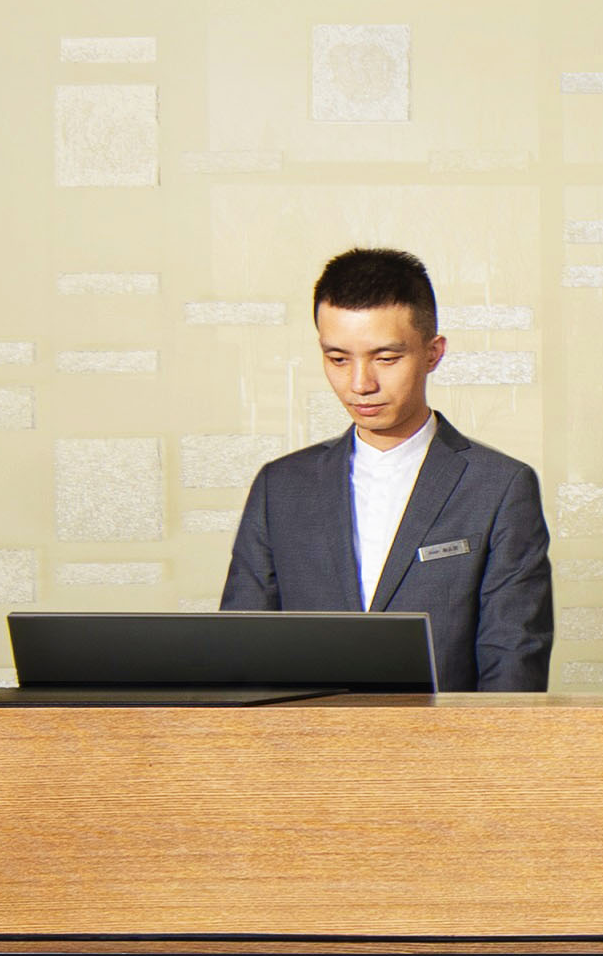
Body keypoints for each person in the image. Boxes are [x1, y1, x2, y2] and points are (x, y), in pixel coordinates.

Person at [217, 245, 554, 690]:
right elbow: (240, 655)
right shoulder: (280, 486)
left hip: (446, 734)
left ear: (433, 353)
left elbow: (514, 666)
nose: (360, 384)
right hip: (306, 735)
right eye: (338, 359)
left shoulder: (499, 487)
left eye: (386, 358)